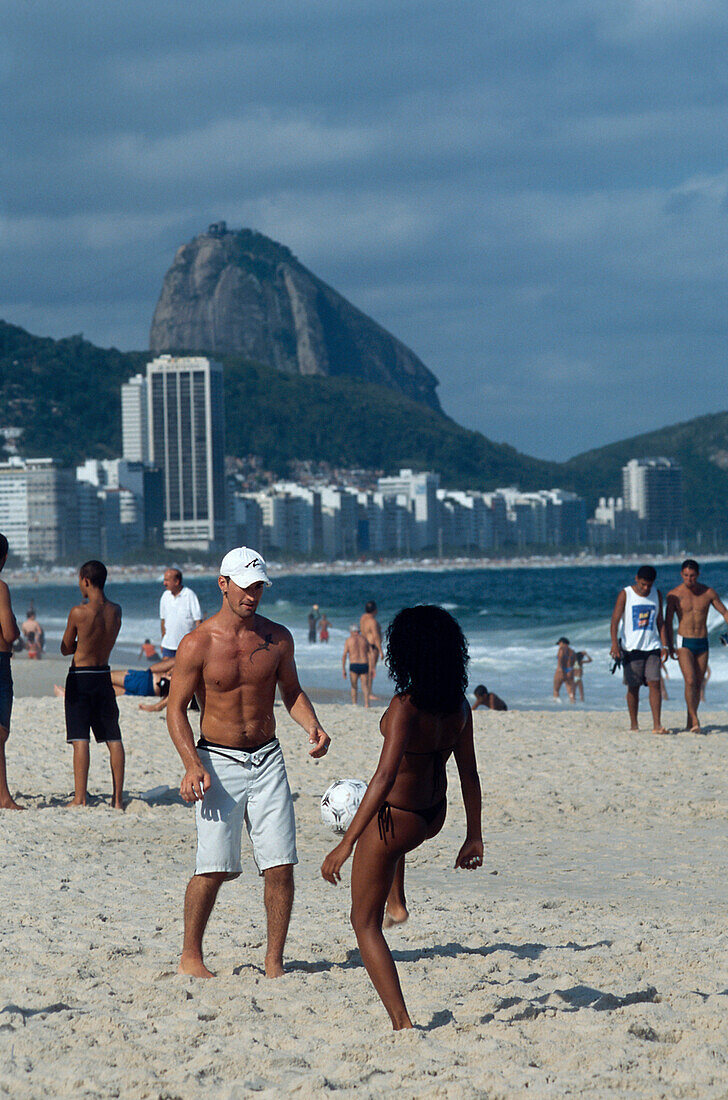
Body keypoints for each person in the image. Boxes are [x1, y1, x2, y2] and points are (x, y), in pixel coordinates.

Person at [166, 546, 330, 980]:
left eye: (258, 586)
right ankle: (190, 955)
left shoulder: (277, 638)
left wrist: (312, 726)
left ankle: (274, 962)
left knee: (280, 864)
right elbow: (176, 709)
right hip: (216, 760)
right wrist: (190, 764)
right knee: (214, 866)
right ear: (223, 584)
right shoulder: (197, 643)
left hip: (267, 756)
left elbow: (291, 691)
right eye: (245, 586)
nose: (252, 595)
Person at [321, 605, 483, 1031]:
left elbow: (383, 777)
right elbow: (469, 773)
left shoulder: (404, 707)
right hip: (434, 814)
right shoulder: (458, 706)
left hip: (401, 815)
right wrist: (473, 836)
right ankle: (398, 900)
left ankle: (402, 1023)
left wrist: (346, 842)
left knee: (363, 923)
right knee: (391, 850)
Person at [61, 560, 124, 808]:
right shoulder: (116, 610)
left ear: (86, 580)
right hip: (103, 673)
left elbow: (66, 648)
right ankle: (117, 800)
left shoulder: (79, 612)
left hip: (81, 675)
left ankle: (80, 798)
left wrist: (79, 645)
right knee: (113, 737)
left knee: (80, 738)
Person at [664, 559, 728, 733]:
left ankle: (689, 719)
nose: (689, 579)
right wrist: (668, 645)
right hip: (684, 642)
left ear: (697, 575)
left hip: (702, 641)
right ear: (681, 574)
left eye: (692, 576)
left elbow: (723, 611)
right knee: (690, 680)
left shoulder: (708, 593)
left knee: (698, 683)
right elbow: (668, 623)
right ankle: (695, 719)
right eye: (686, 575)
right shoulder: (674, 595)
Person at [610, 565, 669, 735]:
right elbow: (614, 621)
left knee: (655, 683)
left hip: (652, 647)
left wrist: (664, 645)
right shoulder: (625, 594)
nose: (646, 588)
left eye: (649, 585)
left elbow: (660, 622)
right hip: (631, 648)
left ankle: (657, 725)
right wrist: (615, 644)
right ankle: (634, 724)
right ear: (637, 579)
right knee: (633, 687)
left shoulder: (656, 594)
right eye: (643, 584)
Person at [0, 533, 22, 810]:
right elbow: (10, 633)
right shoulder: (1, 587)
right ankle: (3, 797)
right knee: (0, 732)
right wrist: (14, 623)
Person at [160, 569, 202, 658]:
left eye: (167, 580)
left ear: (176, 581)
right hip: (168, 645)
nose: (164, 583)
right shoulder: (165, 596)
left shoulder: (190, 595)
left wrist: (197, 644)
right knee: (165, 671)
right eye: (164, 580)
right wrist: (163, 641)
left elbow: (198, 621)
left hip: (186, 646)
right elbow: (163, 620)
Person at [342, 625, 372, 706]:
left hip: (354, 664)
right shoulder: (364, 639)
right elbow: (370, 653)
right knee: (365, 686)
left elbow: (344, 655)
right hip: (364, 664)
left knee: (354, 686)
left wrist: (343, 669)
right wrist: (372, 667)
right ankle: (367, 704)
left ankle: (354, 703)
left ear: (351, 632)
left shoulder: (349, 640)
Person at [360, 600, 384, 699]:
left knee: (367, 670)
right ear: (375, 610)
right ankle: (369, 693)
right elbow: (376, 637)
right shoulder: (373, 622)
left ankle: (366, 691)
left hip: (364, 644)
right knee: (371, 670)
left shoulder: (363, 618)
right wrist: (381, 651)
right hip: (372, 647)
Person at [553, 637, 575, 703]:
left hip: (561, 670)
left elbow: (560, 658)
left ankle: (557, 703)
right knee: (570, 690)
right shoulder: (572, 651)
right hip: (570, 670)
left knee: (556, 689)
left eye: (559, 643)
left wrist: (560, 669)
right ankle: (572, 702)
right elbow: (574, 662)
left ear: (562, 643)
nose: (559, 645)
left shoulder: (561, 649)